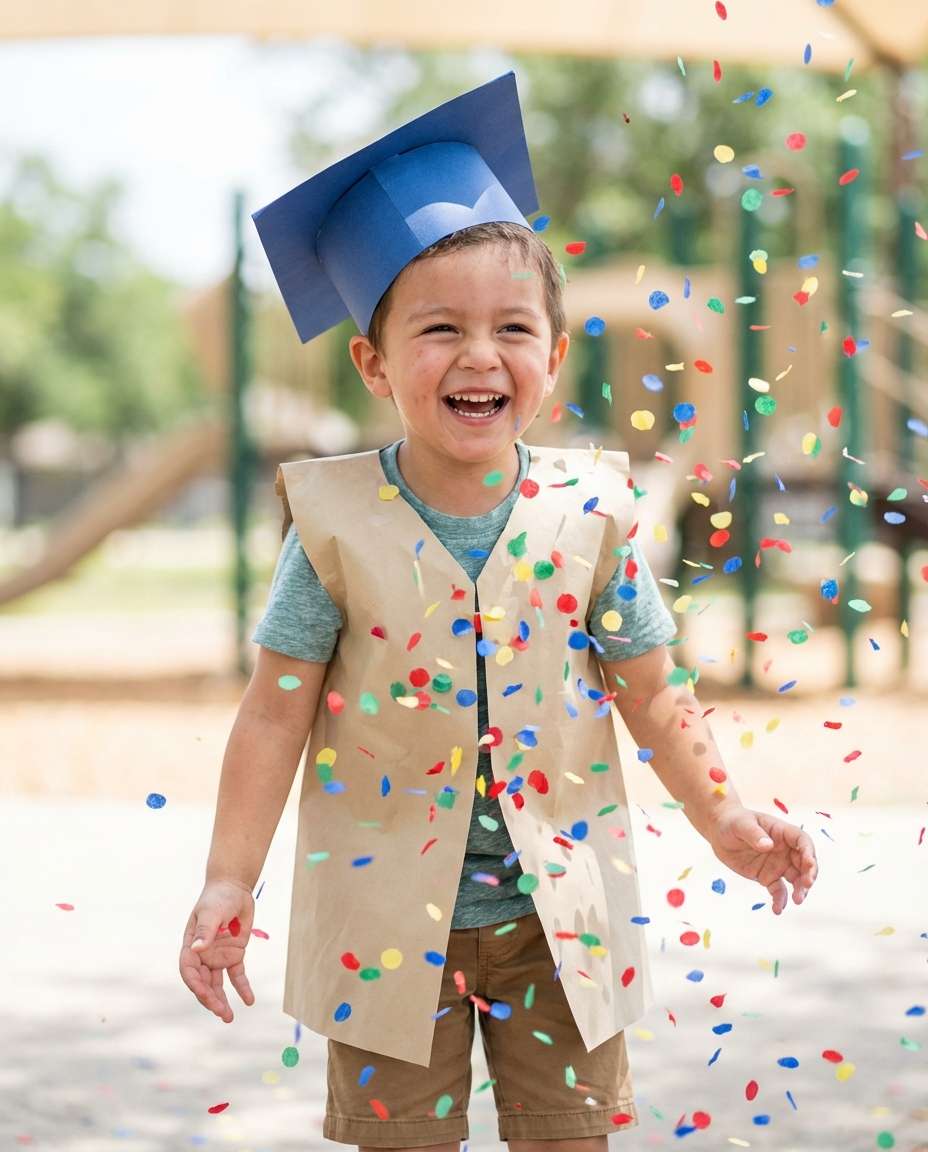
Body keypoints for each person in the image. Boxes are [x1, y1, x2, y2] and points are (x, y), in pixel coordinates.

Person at [179, 72, 818, 1152]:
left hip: (559, 924)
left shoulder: (593, 515)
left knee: (570, 1140)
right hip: (386, 924)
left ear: (553, 359)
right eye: (439, 329)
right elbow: (274, 712)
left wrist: (728, 821)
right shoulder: (331, 527)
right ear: (373, 362)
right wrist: (226, 880)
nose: (480, 354)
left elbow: (654, 692)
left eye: (512, 327)